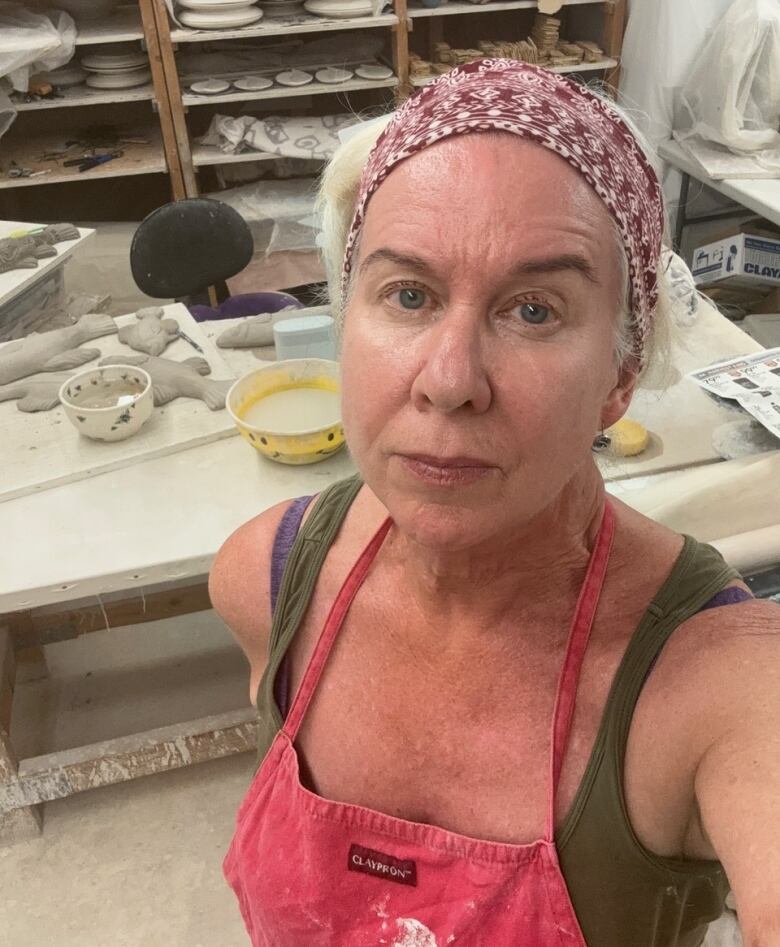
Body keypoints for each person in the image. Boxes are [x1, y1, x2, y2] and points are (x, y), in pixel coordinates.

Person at [210, 60, 780, 947]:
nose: (449, 381)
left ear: (621, 377)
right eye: (408, 294)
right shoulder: (266, 581)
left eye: (534, 311)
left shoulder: (715, 681)